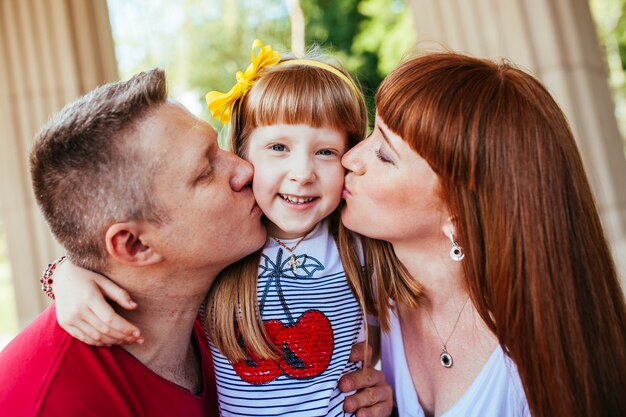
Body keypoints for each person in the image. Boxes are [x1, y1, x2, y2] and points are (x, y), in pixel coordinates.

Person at [33, 40, 395, 417]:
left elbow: (387, 338)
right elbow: (125, 259)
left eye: (326, 152)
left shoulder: (360, 245)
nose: (302, 174)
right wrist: (64, 274)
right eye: (278, 148)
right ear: (242, 150)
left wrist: (383, 392)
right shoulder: (225, 251)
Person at [340, 52, 626, 416]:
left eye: (384, 154)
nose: (350, 159)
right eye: (372, 133)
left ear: (458, 218)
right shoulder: (373, 296)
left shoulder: (535, 365)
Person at [0, 68, 267, 416]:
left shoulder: (230, 307)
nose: (246, 169)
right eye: (205, 171)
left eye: (218, 148)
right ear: (134, 246)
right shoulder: (50, 403)